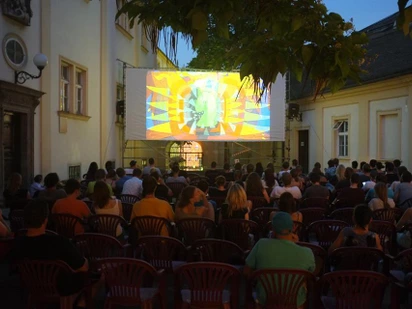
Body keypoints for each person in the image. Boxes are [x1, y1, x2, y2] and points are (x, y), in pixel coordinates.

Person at [11, 199, 89, 297]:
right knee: (93, 275)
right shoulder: (59, 242)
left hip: (32, 285)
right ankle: (80, 304)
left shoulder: (18, 242)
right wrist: (85, 260)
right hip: (61, 287)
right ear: (45, 220)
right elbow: (83, 268)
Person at [244, 212, 315, 308]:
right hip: (296, 304)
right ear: (293, 228)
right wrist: (297, 245)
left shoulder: (260, 245)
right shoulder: (307, 253)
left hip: (265, 302)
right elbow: (311, 277)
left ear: (273, 229)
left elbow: (246, 272)